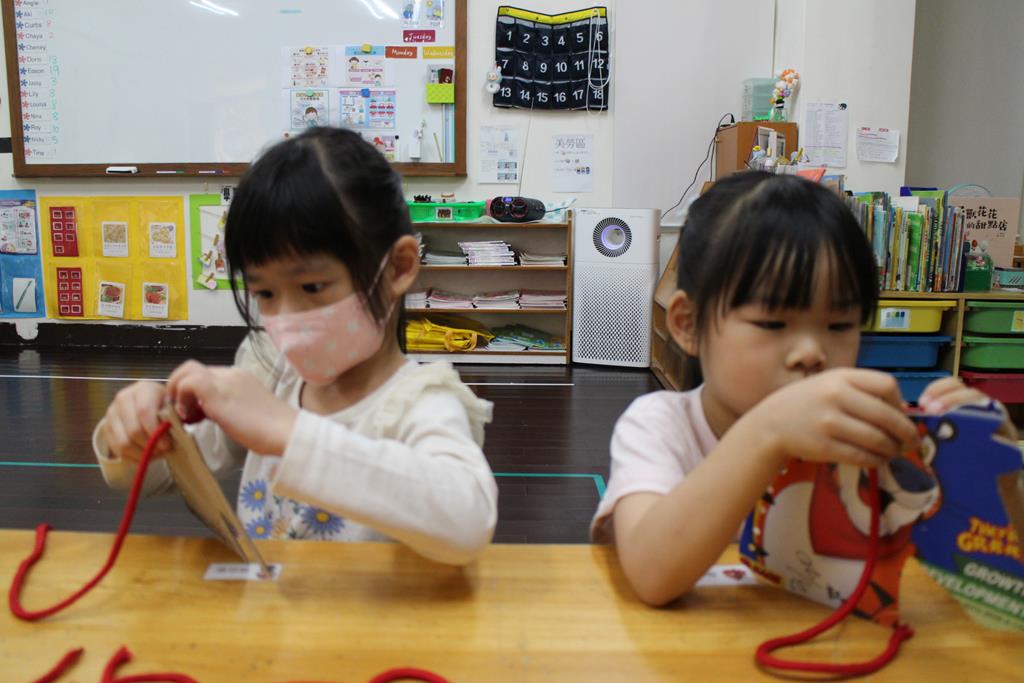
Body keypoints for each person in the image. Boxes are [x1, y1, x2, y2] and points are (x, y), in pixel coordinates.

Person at [592, 171, 1018, 605]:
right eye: (772, 323)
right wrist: (768, 432)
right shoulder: (660, 426)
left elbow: (987, 569)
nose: (812, 352)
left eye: (840, 325)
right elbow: (652, 575)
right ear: (688, 324)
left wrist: (996, 474)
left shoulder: (868, 433)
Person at [94, 127, 498, 565]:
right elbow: (165, 473)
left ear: (398, 268)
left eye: (312, 286)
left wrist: (290, 432)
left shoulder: (420, 402)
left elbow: (468, 522)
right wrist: (139, 432)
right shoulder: (268, 369)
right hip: (272, 603)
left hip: (370, 610)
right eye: (265, 293)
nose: (286, 318)